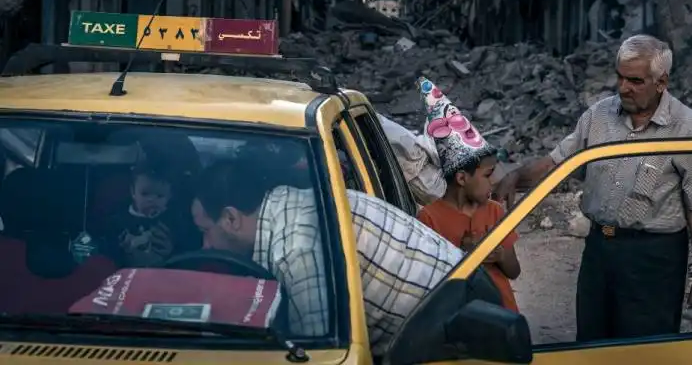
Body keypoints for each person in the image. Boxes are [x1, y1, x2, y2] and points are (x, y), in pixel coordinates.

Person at [494, 34, 692, 341]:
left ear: (661, 82)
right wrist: (516, 176)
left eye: (635, 81)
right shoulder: (599, 116)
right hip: (600, 250)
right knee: (591, 344)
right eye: (620, 77)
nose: (623, 87)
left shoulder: (687, 127)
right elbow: (557, 162)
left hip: (654, 260)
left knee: (644, 349)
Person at [190, 159, 469, 357]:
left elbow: (321, 356)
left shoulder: (294, 249)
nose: (205, 245)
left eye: (205, 232)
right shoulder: (288, 206)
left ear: (230, 218)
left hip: (459, 330)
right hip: (451, 301)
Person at [415, 76, 521, 312]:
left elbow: (514, 271)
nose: (493, 181)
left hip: (504, 315)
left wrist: (500, 254)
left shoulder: (495, 211)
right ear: (462, 178)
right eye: (487, 175)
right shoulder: (429, 219)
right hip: (460, 320)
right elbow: (427, 285)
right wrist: (463, 255)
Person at [107, 163, 193, 267]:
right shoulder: (118, 220)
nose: (151, 200)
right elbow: (108, 251)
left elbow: (185, 253)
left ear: (169, 197)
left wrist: (171, 251)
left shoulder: (174, 221)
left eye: (159, 196)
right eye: (145, 194)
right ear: (133, 192)